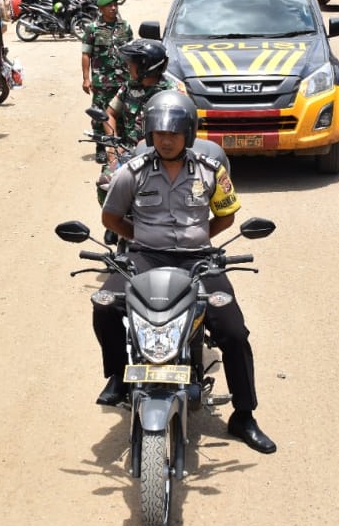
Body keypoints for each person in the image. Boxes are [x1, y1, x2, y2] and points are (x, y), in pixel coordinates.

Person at [97, 90, 276, 454]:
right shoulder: (132, 172)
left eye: (174, 134)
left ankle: (244, 415)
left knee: (233, 331)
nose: (165, 140)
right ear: (149, 133)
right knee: (104, 305)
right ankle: (118, 376)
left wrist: (199, 240)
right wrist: (144, 240)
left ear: (188, 134)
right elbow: (111, 218)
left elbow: (227, 214)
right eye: (159, 133)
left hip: (198, 260)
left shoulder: (211, 171)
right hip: (144, 257)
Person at [80, 0, 133, 160]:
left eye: (115, 5)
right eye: (109, 6)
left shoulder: (125, 26)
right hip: (102, 82)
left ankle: (121, 146)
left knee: (124, 113)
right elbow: (86, 54)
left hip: (123, 80)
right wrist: (86, 78)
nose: (113, 8)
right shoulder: (93, 28)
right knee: (99, 115)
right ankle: (101, 147)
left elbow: (132, 52)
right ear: (101, 9)